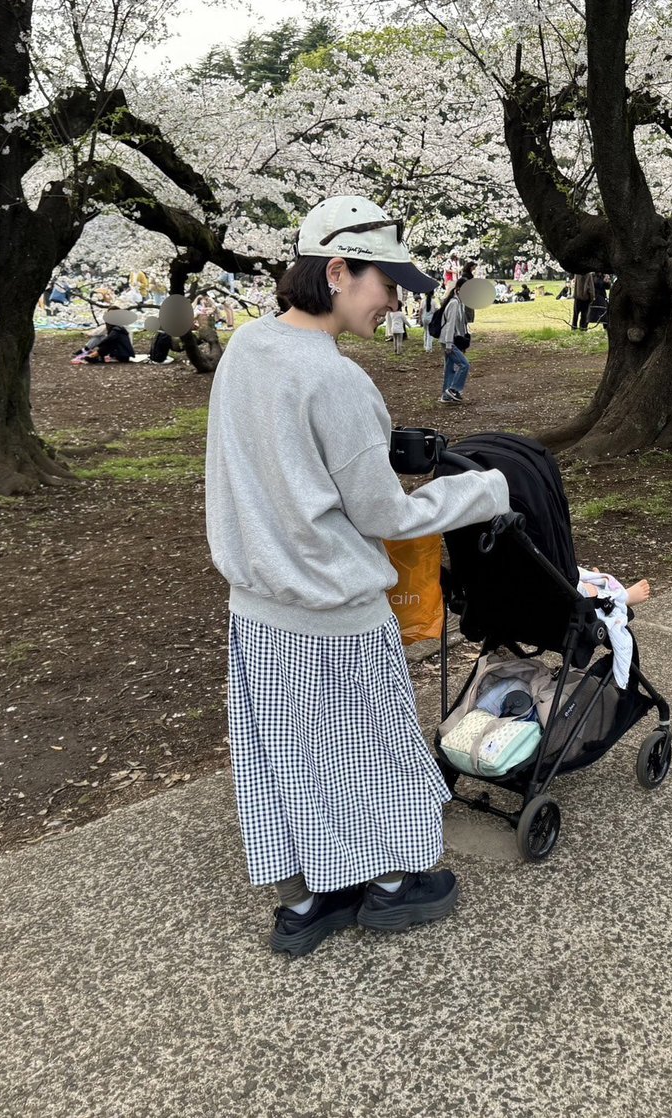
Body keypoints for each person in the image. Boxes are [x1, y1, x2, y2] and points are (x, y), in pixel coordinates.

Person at [205, 194, 510, 957]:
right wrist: (490, 485)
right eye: (386, 282)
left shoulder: (246, 346)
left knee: (287, 753)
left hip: (256, 608)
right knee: (373, 750)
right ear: (337, 270)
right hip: (336, 612)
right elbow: (387, 515)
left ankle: (308, 899)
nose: (397, 299)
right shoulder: (336, 379)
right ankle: (391, 886)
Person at [437, 278, 471, 405]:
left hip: (449, 339)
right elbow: (450, 324)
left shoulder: (459, 303)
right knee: (464, 365)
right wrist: (449, 343)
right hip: (448, 339)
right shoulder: (454, 303)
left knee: (450, 368)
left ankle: (446, 395)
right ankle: (454, 389)